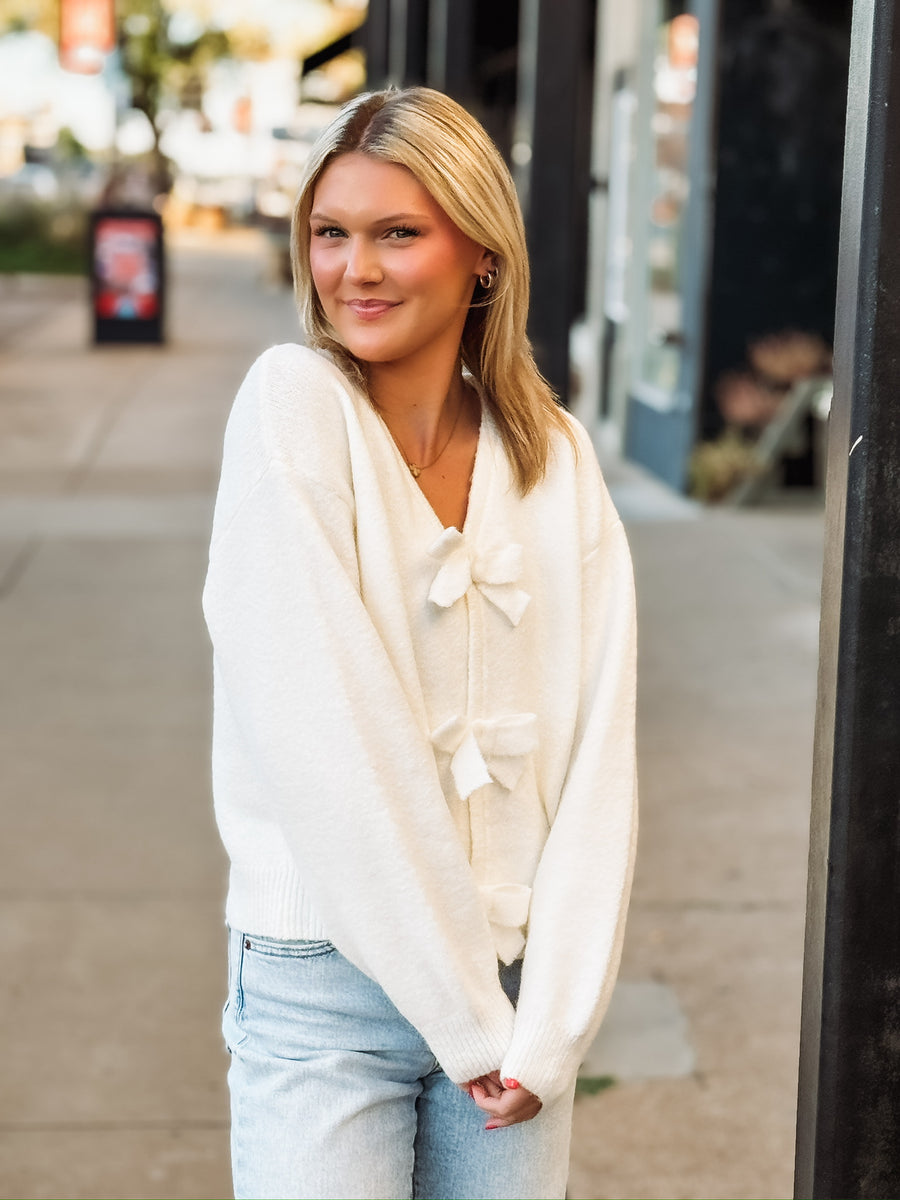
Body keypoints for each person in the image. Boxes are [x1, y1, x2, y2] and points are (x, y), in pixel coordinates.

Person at [202, 85, 637, 1200]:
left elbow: (599, 757)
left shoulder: (558, 458)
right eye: (331, 233)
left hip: (517, 999)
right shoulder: (290, 407)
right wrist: (464, 1012)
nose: (356, 268)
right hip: (325, 990)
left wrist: (558, 1022)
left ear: (481, 256)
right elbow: (324, 736)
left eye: (399, 233)